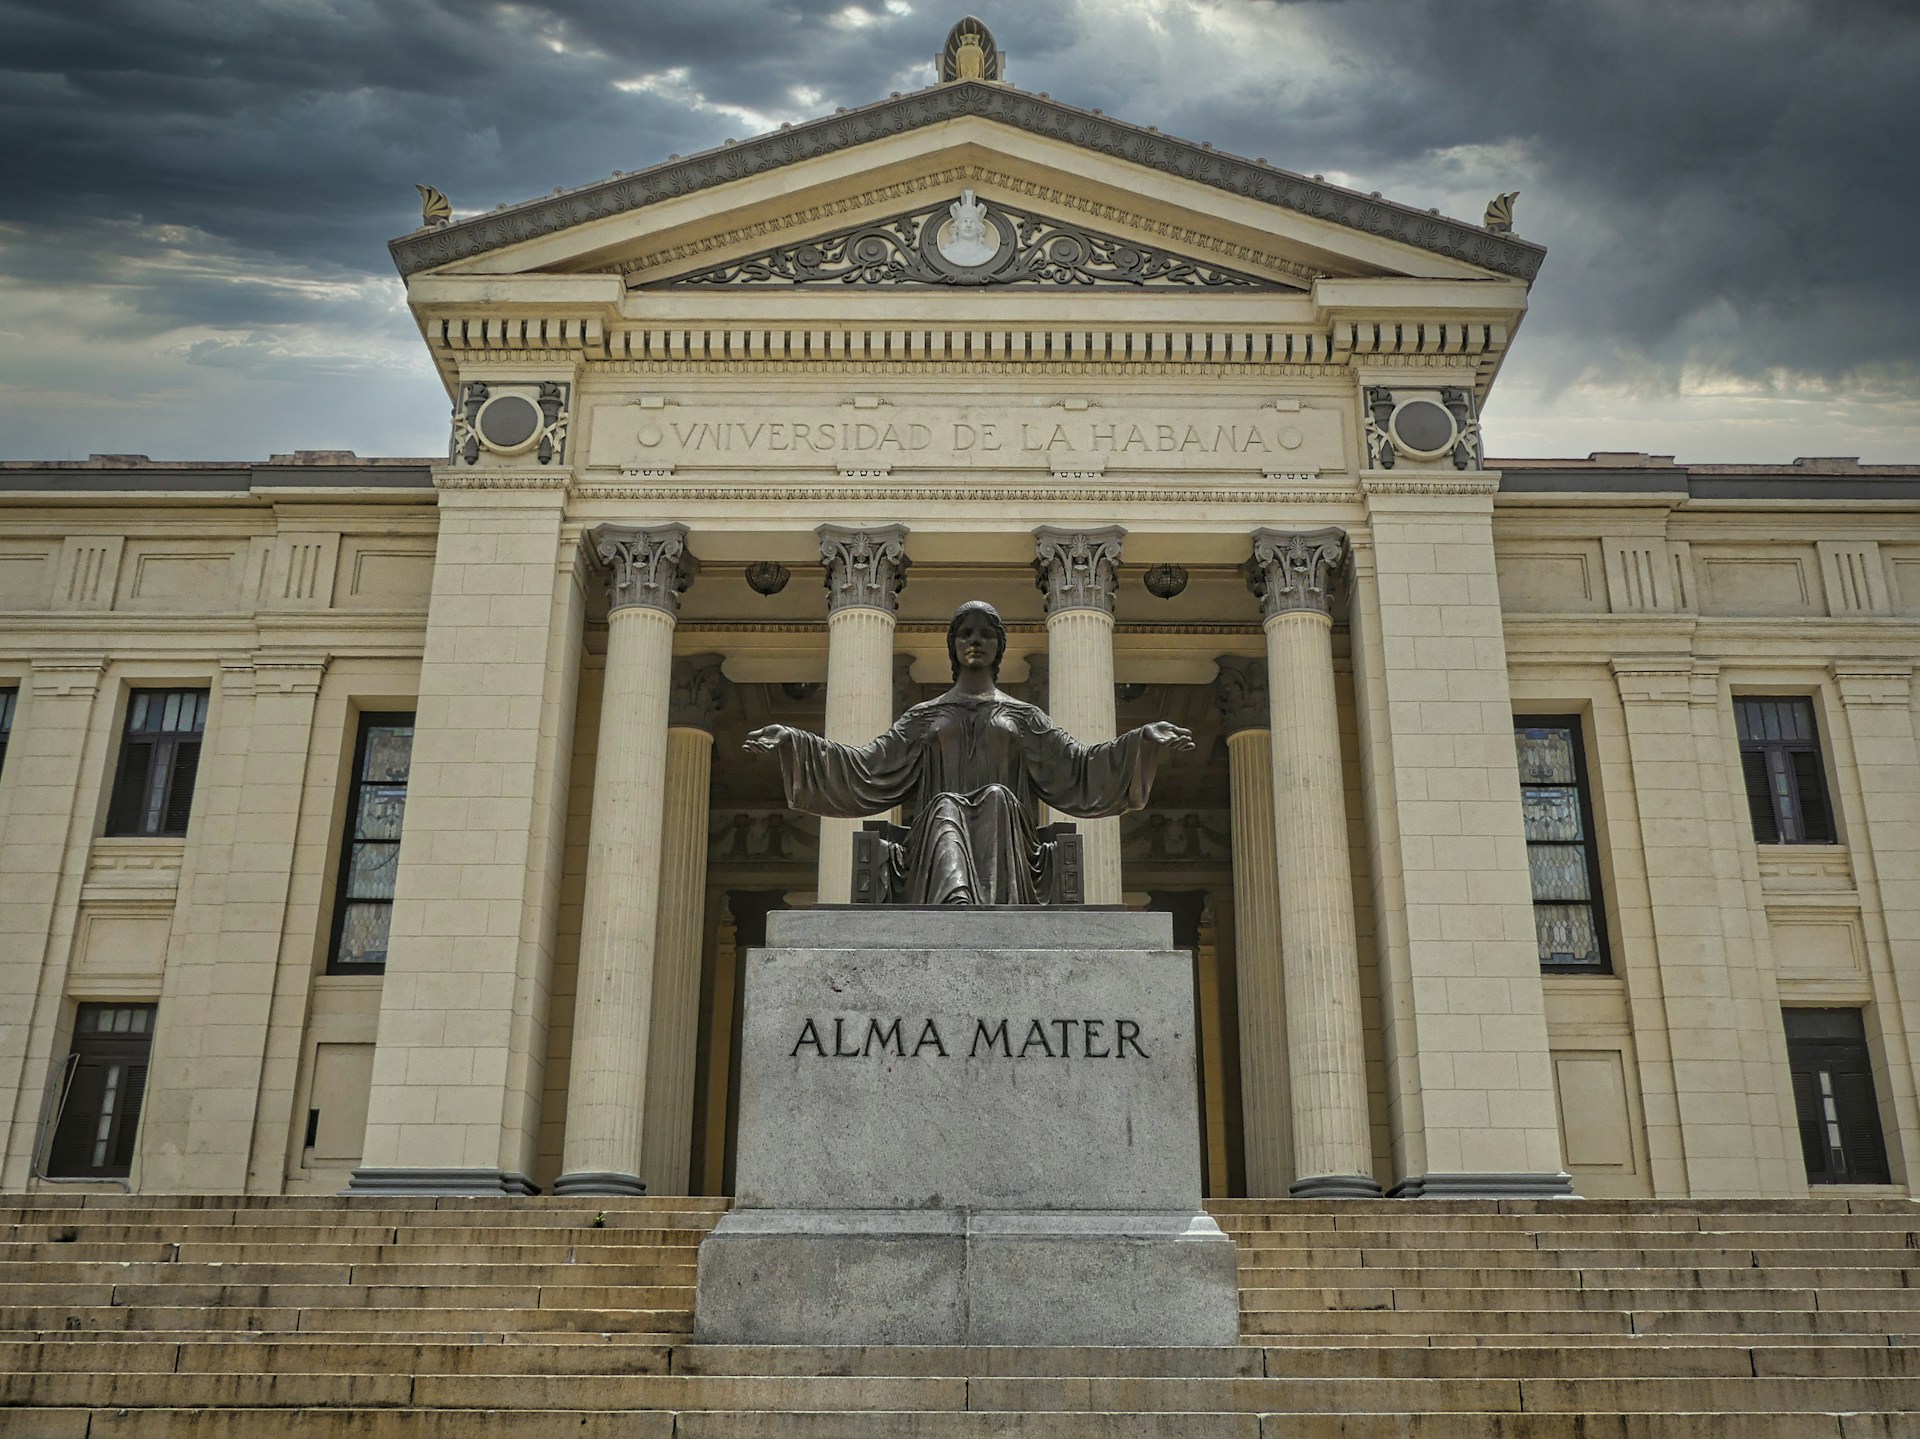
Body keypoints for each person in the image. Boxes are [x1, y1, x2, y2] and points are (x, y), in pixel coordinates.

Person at [744, 600, 1193, 905]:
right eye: (964, 634)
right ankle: (955, 904)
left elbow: (1078, 767)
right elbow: (867, 766)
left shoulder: (1024, 716)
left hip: (1010, 843)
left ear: (999, 647)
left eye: (985, 634)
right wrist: (795, 742)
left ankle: (976, 909)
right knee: (945, 806)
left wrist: (1142, 741)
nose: (974, 641)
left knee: (996, 797)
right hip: (932, 841)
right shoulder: (924, 716)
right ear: (953, 646)